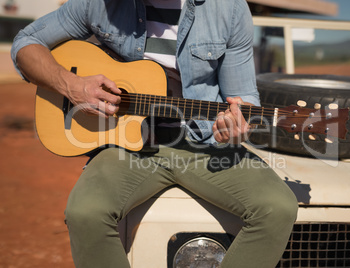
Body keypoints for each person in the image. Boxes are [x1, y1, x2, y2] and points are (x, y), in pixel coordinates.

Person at [11, 0, 298, 267]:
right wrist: (71, 85)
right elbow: (26, 43)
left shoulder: (229, 8)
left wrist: (235, 128)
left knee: (277, 209)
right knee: (85, 213)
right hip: (125, 144)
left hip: (203, 140)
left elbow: (242, 96)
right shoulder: (101, 3)